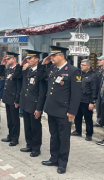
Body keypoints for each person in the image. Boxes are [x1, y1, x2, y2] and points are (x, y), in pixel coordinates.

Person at [40, 46, 82, 174]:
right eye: (51, 56)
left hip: (64, 111)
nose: (51, 58)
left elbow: (76, 94)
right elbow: (41, 77)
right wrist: (44, 64)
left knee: (64, 138)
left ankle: (62, 163)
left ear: (61, 56)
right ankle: (54, 158)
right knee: (54, 136)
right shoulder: (52, 69)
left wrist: (72, 111)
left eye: (53, 56)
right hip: (52, 109)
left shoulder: (73, 71)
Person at [19, 50, 47, 157]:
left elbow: (42, 92)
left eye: (30, 58)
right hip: (26, 103)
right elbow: (17, 76)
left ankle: (36, 148)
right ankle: (29, 144)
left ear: (37, 59)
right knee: (27, 126)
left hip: (34, 104)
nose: (28, 60)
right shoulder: (27, 70)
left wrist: (39, 108)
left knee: (35, 127)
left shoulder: (41, 73)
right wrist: (21, 65)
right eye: (27, 58)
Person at [71, 59, 98, 141]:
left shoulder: (93, 76)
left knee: (88, 118)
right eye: (81, 64)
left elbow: (94, 90)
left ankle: (89, 134)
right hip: (79, 99)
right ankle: (78, 130)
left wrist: (92, 102)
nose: (81, 66)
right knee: (78, 116)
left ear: (88, 66)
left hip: (87, 100)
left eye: (83, 65)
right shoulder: (80, 74)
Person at [0, 52, 22, 146]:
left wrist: (17, 100)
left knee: (15, 119)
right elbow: (0, 74)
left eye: (8, 59)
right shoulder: (9, 69)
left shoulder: (18, 69)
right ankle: (10, 135)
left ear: (14, 59)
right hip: (7, 97)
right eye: (6, 59)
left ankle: (15, 138)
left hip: (13, 98)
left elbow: (19, 86)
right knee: (9, 118)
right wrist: (2, 64)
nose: (7, 60)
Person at [94, 55, 104, 127]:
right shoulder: (98, 70)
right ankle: (99, 121)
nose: (98, 61)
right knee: (98, 106)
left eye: (100, 60)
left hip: (102, 91)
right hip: (98, 90)